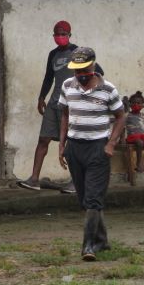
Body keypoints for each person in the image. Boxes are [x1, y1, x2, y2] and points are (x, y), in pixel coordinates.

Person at [57, 46, 126, 261]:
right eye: (76, 71)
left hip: (98, 148)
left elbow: (121, 117)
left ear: (93, 66)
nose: (80, 75)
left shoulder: (108, 89)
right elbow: (65, 116)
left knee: (94, 199)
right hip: (75, 148)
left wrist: (111, 144)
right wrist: (62, 146)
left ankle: (88, 246)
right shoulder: (67, 86)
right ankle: (103, 240)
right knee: (85, 200)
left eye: (84, 70)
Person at [18, 20, 102, 193]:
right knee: (43, 139)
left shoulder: (77, 53)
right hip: (54, 102)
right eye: (57, 34)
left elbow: (98, 71)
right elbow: (49, 77)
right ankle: (34, 179)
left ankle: (75, 182)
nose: (60, 37)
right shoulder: (53, 54)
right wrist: (41, 97)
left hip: (71, 104)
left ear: (69, 35)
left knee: (72, 142)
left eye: (63, 34)